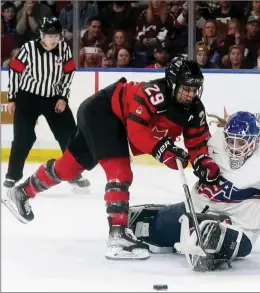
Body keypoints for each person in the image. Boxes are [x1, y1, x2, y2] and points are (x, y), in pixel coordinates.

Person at [2, 56, 221, 261]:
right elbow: (137, 132)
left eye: (194, 89)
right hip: (103, 112)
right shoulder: (152, 94)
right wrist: (164, 150)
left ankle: (21, 192)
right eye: (185, 88)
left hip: (114, 121)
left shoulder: (195, 110)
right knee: (120, 172)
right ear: (172, 83)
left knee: (69, 167)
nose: (190, 95)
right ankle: (117, 234)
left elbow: (197, 141)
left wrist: (204, 162)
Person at [126, 111, 260, 271]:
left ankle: (203, 241)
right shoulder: (215, 142)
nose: (234, 147)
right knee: (144, 225)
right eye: (231, 140)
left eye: (241, 141)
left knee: (211, 237)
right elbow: (191, 139)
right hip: (194, 211)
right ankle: (170, 223)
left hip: (239, 228)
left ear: (254, 142)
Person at [4, 16, 90, 192]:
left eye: (57, 36)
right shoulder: (28, 48)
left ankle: (74, 174)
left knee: (69, 135)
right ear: (42, 35)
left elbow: (68, 73)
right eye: (50, 36)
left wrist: (63, 97)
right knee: (23, 138)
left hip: (53, 98)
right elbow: (14, 70)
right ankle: (12, 175)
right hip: (27, 98)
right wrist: (12, 98)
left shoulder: (64, 49)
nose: (53, 39)